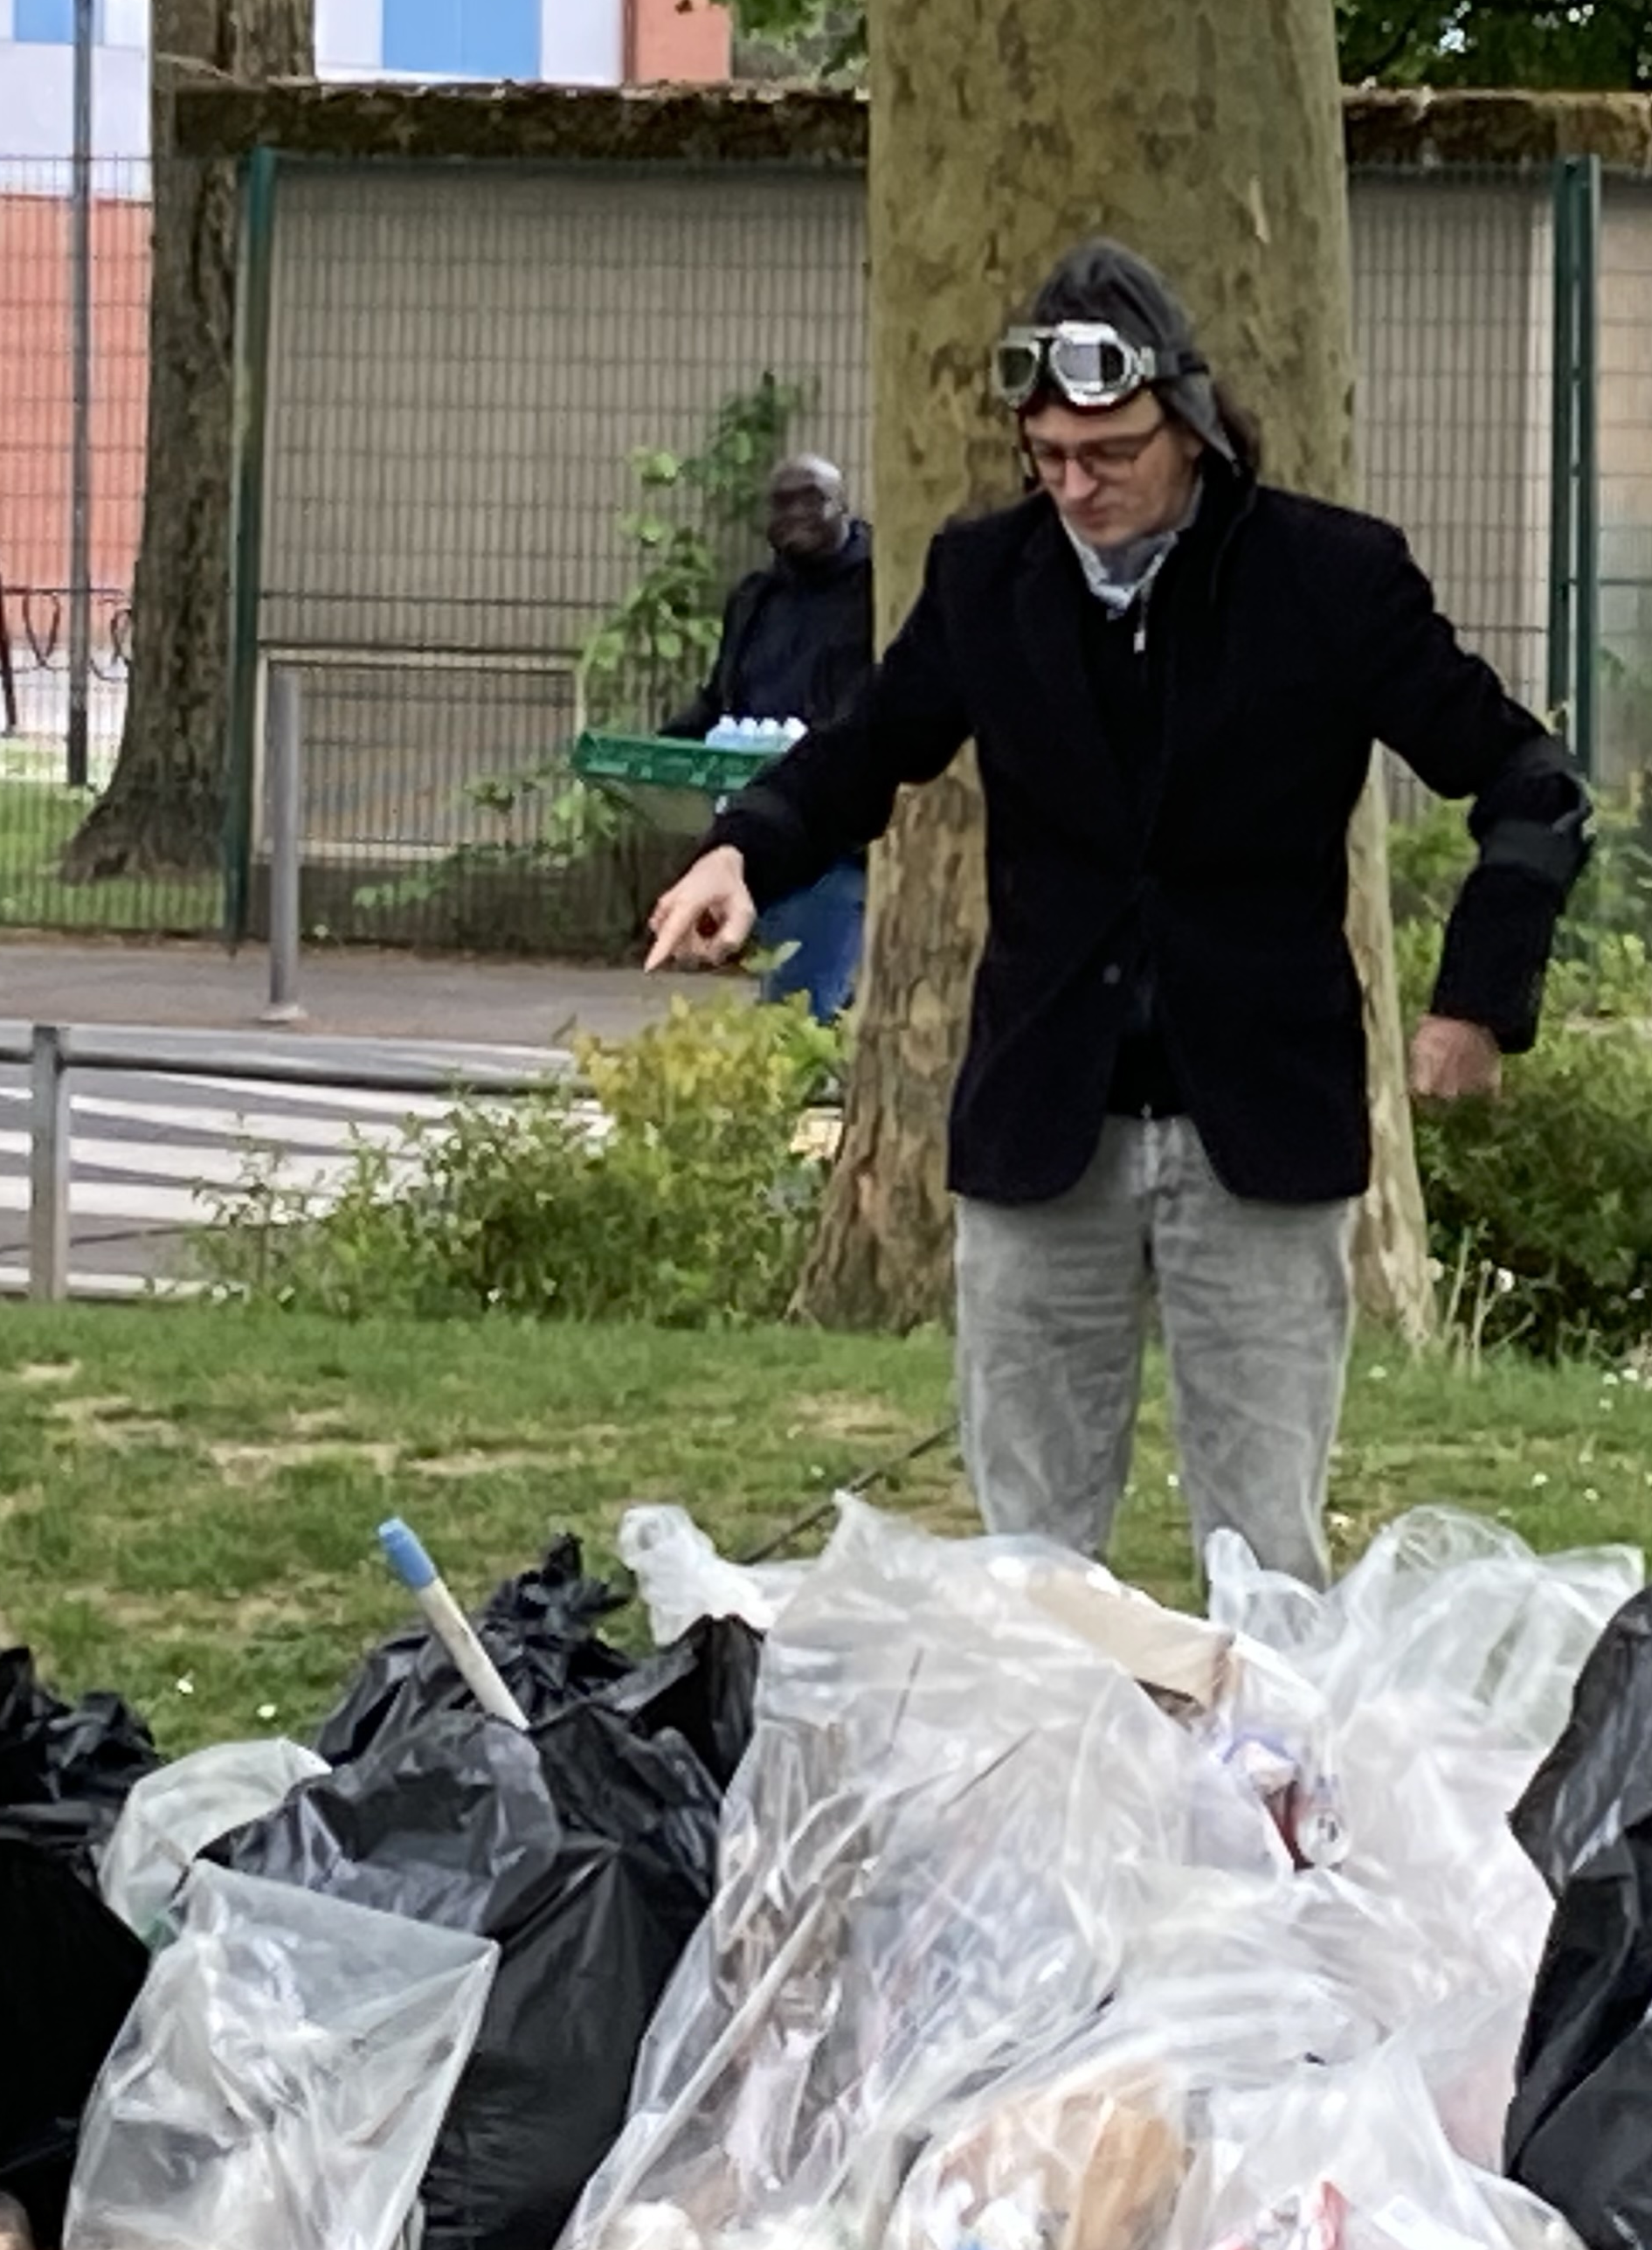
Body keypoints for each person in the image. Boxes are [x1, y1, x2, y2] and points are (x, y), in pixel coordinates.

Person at [646, 240, 1589, 1586]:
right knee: (1029, 1558)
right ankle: (1051, 1787)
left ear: (1192, 429)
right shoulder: (987, 578)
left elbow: (1531, 783)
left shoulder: (1333, 580)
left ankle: (1264, 1790)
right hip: (1045, 1117)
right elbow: (865, 749)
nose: (1076, 487)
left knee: (1263, 1550)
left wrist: (1478, 998)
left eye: (1112, 454)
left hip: (1257, 1119)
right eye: (1049, 457)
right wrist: (743, 851)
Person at [661, 454, 875, 1021]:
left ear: (844, 505)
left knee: (798, 1006)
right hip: (757, 812)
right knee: (793, 992)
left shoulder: (881, 586)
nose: (797, 515)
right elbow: (719, 699)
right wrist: (668, 748)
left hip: (839, 827)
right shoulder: (756, 598)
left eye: (813, 499)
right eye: (783, 503)